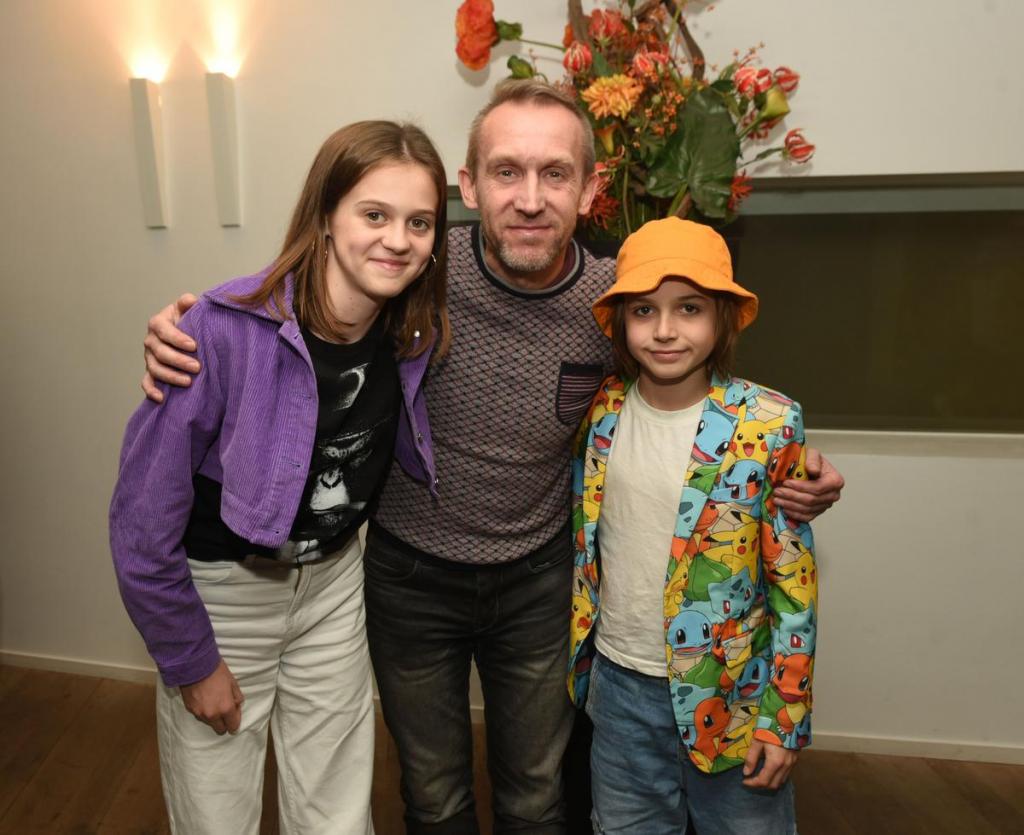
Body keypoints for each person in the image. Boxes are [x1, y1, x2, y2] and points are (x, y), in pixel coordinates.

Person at [139, 81, 844, 834]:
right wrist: (199, 326)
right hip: (409, 580)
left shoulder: (619, 301)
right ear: (470, 185)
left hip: (540, 583)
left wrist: (794, 464)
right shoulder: (413, 274)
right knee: (434, 794)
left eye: (555, 173)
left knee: (537, 795)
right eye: (507, 171)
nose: (529, 199)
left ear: (590, 189)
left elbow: (694, 390)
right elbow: (307, 311)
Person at [110, 120, 451, 835]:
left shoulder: (412, 332)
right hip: (224, 598)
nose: (397, 240)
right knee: (216, 814)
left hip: (333, 589)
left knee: (337, 814)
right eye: (374, 214)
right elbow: (141, 525)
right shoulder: (217, 332)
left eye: (419, 222)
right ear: (325, 216)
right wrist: (190, 659)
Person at [568, 217, 815, 834]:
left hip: (734, 694)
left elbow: (794, 583)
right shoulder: (601, 411)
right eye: (643, 311)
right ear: (621, 322)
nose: (665, 330)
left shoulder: (769, 422)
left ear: (722, 319)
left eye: (689, 308)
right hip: (618, 687)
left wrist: (784, 717)